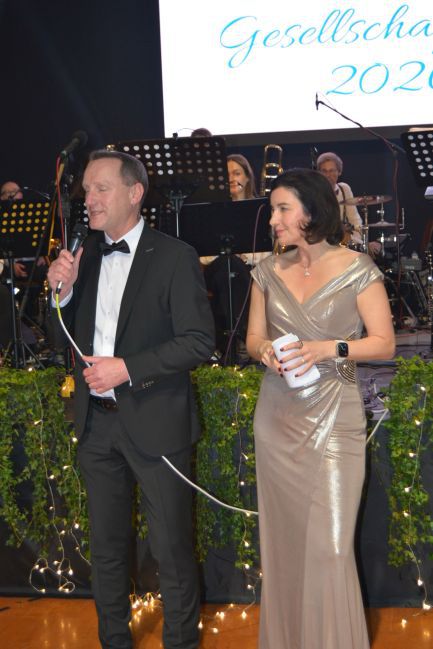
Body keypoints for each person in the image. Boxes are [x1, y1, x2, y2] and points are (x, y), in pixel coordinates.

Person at [47, 149, 215, 649]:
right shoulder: (83, 257)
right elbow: (60, 341)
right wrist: (62, 294)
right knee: (106, 549)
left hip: (156, 421)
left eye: (101, 188)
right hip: (96, 425)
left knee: (171, 550)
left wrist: (128, 368)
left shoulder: (174, 256)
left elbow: (198, 342)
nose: (89, 199)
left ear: (135, 193)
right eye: (86, 190)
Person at [246, 168, 395, 649]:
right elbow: (253, 338)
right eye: (273, 209)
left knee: (331, 549)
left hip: (337, 411)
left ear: (311, 211)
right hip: (277, 415)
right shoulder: (267, 272)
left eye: (282, 208)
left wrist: (331, 348)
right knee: (284, 547)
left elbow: (384, 343)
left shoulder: (357, 267)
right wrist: (264, 352)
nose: (273, 219)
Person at [317, 152, 382, 256]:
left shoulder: (344, 189)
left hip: (342, 245)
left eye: (332, 170)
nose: (328, 175)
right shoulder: (314, 192)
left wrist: (361, 244)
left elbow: (355, 221)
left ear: (339, 172)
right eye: (324, 171)